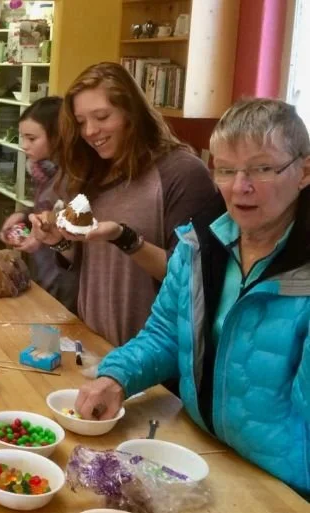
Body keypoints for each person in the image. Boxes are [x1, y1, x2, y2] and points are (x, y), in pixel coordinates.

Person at [75, 98, 310, 495]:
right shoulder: (199, 243)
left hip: (282, 486)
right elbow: (167, 334)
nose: (240, 187)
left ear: (303, 172)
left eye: (263, 168)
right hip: (200, 452)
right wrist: (117, 377)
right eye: (226, 169)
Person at [28, 62, 218, 346]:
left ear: (132, 112)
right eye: (80, 122)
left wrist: (123, 237)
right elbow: (90, 263)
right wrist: (60, 242)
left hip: (151, 354)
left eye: (102, 117)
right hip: (94, 342)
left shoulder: (181, 173)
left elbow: (189, 277)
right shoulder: (91, 170)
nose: (90, 131)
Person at [0, 96, 78, 313]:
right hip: (45, 277)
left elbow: (78, 242)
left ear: (58, 136)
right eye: (22, 137)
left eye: (32, 138)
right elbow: (46, 212)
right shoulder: (44, 173)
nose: (24, 145)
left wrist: (42, 238)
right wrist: (23, 217)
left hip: (65, 288)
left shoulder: (72, 180)